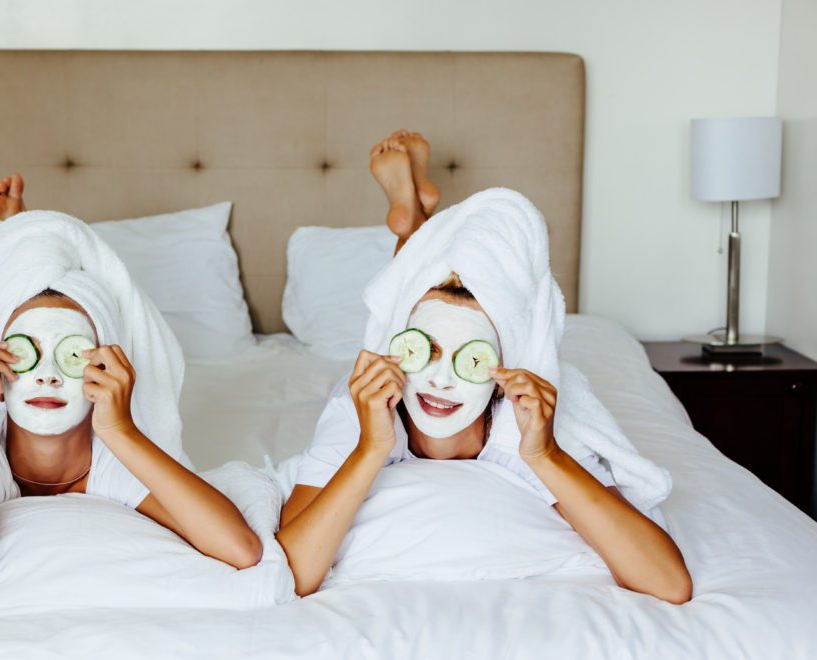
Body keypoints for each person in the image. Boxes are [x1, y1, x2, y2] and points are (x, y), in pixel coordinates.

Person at [276, 130, 693, 603]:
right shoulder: (362, 408)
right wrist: (371, 448)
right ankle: (412, 223)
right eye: (423, 349)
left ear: (502, 375)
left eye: (471, 358)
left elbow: (669, 583)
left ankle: (413, 220)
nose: (439, 379)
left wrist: (546, 456)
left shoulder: (528, 427)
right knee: (409, 298)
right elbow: (291, 572)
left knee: (431, 304)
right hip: (394, 374)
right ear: (397, 353)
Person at [0, 175, 261, 622]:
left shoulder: (114, 454)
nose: (47, 377)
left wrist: (120, 430)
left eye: (69, 353)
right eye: (28, 352)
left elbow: (240, 549)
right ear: (1, 367)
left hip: (82, 418)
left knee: (13, 290)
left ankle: (5, 249)